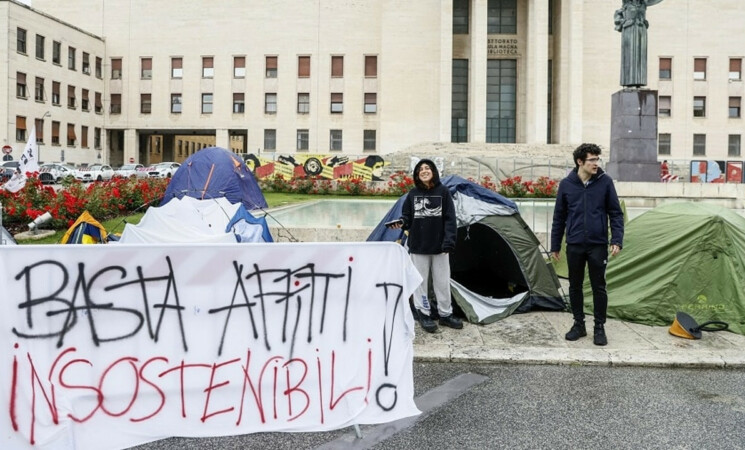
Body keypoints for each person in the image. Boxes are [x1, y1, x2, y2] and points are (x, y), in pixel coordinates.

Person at [550, 144, 624, 346]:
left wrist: (616, 239)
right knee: (574, 286)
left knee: (599, 287)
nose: (596, 164)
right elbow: (559, 217)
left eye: (597, 159)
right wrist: (555, 245)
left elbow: (616, 213)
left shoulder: (605, 182)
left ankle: (599, 327)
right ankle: (578, 325)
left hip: (598, 244)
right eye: (592, 160)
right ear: (580, 162)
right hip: (574, 244)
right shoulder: (567, 184)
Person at [388, 159, 461, 333]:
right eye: (420, 169)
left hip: (440, 248)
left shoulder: (443, 192)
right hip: (418, 246)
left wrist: (449, 242)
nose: (424, 171)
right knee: (420, 283)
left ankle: (445, 314)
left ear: (434, 171)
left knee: (442, 282)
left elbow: (450, 220)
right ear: (417, 175)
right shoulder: (412, 194)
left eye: (427, 168)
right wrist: (401, 223)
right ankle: (424, 313)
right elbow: (407, 217)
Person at [614, 0, 665, 88]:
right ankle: (629, 83)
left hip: (641, 31)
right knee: (630, 56)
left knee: (641, 57)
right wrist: (624, 22)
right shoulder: (625, 6)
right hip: (629, 30)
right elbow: (618, 21)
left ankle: (639, 83)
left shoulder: (643, 4)